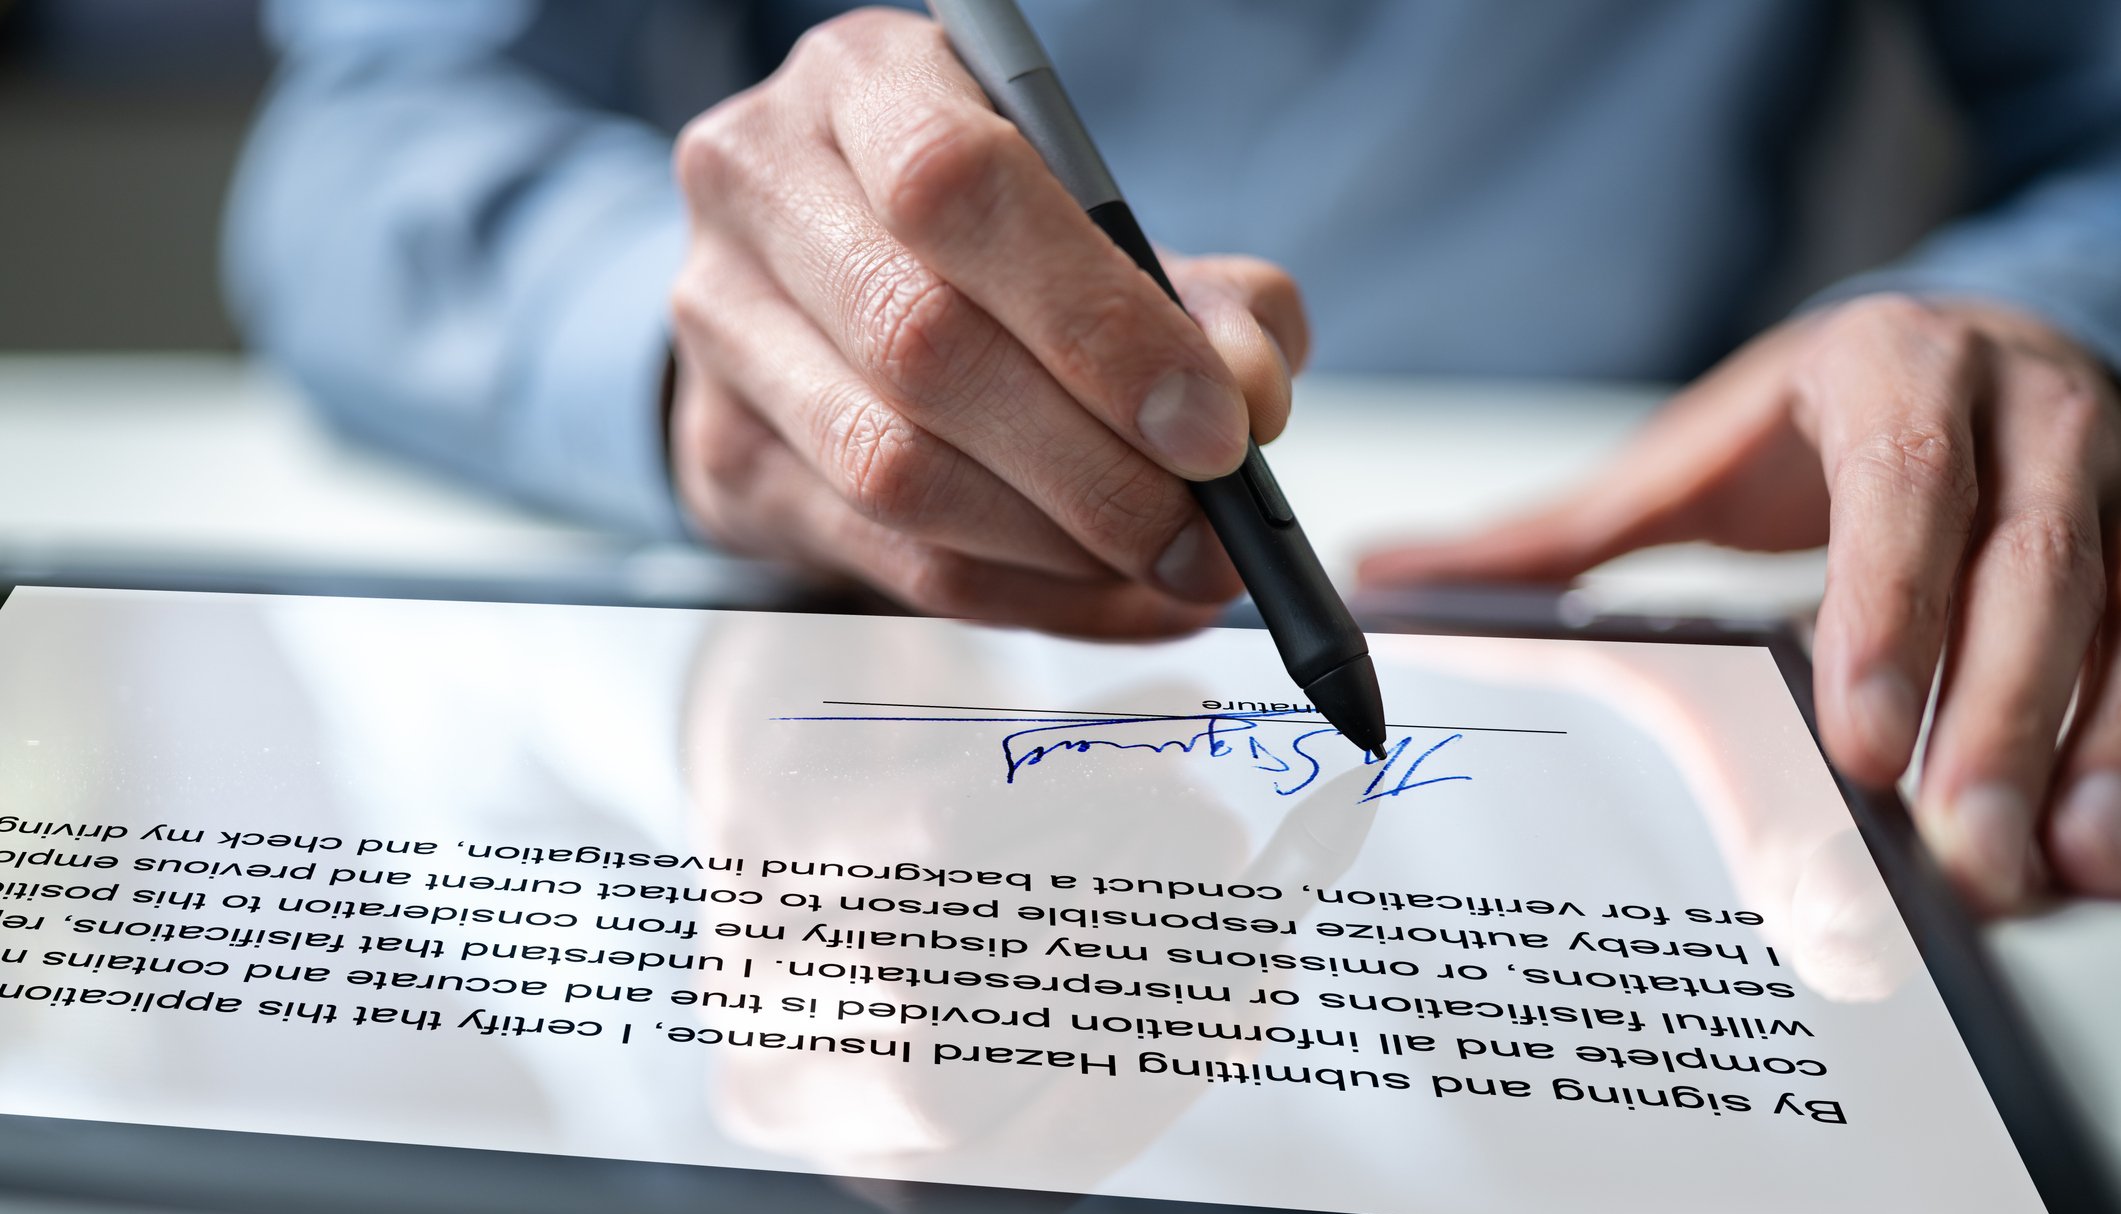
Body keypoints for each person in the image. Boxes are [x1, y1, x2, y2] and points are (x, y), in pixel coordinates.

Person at [224, 0, 2121, 913]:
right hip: (818, 679)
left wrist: (2044, 315)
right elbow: (370, 139)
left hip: (1634, 656)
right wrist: (708, 357)